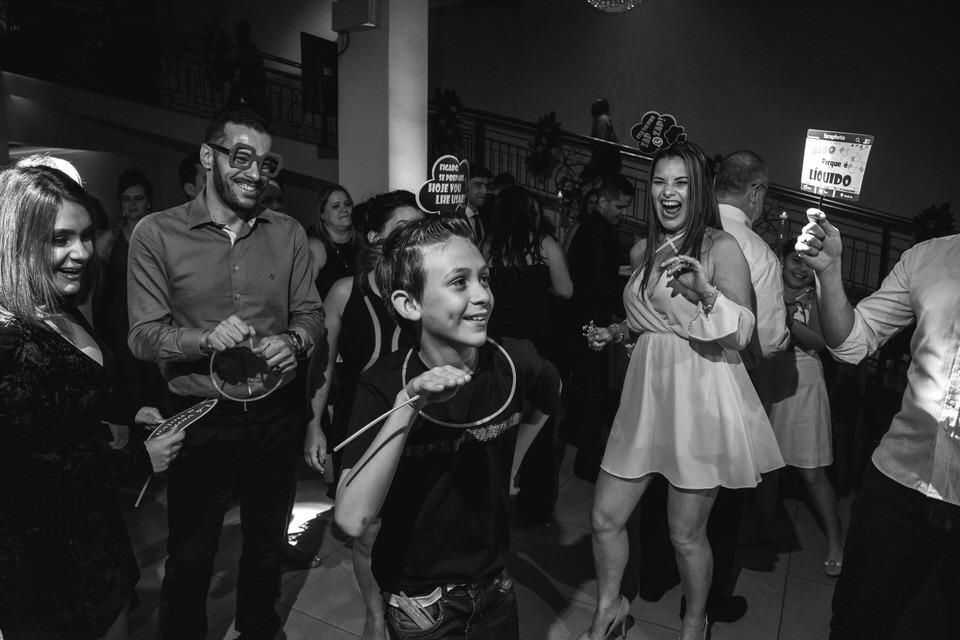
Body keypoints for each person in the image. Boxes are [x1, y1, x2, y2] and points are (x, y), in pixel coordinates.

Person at [127, 106, 324, 640]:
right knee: (191, 554)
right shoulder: (156, 234)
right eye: (242, 157)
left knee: (265, 546)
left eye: (265, 162)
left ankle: (259, 629)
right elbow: (143, 336)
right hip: (200, 418)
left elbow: (311, 313)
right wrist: (201, 339)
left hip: (275, 414)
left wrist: (294, 340)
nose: (256, 172)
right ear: (208, 157)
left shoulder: (286, 234)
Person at [580, 143, 784, 640]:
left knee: (685, 534)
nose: (668, 194)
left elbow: (742, 332)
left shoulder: (720, 247)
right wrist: (618, 332)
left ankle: (695, 623)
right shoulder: (639, 250)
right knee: (606, 517)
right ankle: (610, 610)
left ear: (698, 190)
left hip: (700, 391)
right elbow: (652, 322)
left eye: (680, 183)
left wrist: (706, 292)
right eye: (659, 182)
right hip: (645, 392)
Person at [335, 215, 562, 639]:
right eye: (459, 282)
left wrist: (512, 460)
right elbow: (351, 519)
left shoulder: (514, 362)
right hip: (420, 605)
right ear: (409, 304)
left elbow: (551, 392)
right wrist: (409, 405)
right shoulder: (384, 385)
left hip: (496, 586)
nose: (482, 296)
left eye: (485, 278)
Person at [0, 164, 183, 640]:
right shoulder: (9, 341)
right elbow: (36, 470)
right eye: (60, 239)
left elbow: (65, 407)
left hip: (92, 529)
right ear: (20, 240)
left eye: (84, 236)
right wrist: (142, 458)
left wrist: (124, 414)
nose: (80, 252)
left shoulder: (54, 303)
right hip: (46, 557)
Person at [796, 208, 960, 640]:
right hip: (897, 486)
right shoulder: (930, 257)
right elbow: (851, 343)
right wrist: (830, 272)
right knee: (854, 624)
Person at [304, 190, 423, 640]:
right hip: (360, 420)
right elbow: (322, 363)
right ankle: (375, 612)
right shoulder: (343, 291)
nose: (415, 235)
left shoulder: (423, 287)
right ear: (374, 236)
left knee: (412, 520)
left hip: (417, 418)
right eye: (403, 227)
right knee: (368, 529)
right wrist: (314, 424)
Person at [483, 185, 573, 524]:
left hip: (498, 347)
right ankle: (535, 507)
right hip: (537, 347)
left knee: (496, 423)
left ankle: (492, 499)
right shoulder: (545, 245)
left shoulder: (488, 245)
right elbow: (565, 290)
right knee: (538, 426)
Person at [752, 241, 844, 575]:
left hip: (804, 381)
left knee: (811, 472)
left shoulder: (815, 297)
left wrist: (789, 323)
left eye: (808, 264)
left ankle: (836, 539)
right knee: (767, 467)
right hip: (768, 376)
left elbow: (820, 342)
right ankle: (763, 531)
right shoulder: (767, 288)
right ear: (783, 260)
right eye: (795, 260)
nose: (800, 268)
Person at [560, 175, 632, 483]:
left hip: (585, 319)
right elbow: (597, 285)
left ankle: (579, 445)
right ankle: (586, 461)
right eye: (619, 206)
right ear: (602, 202)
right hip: (590, 322)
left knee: (587, 391)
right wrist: (628, 295)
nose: (623, 212)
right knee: (593, 393)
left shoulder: (596, 229)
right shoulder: (598, 232)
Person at [94, 168, 168, 432]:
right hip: (119, 316)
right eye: (127, 199)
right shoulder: (107, 240)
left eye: (138, 197)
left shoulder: (163, 233)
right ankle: (136, 434)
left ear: (149, 201)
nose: (133, 203)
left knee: (157, 375)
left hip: (155, 311)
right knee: (128, 375)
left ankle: (164, 431)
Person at [308, 183, 360, 299]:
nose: (344, 209)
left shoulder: (363, 244)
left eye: (347, 204)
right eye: (336, 206)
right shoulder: (315, 247)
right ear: (322, 214)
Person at [582, 97, 621, 185]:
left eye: (594, 105)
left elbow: (601, 141)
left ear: (601, 107)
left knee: (586, 178)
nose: (591, 108)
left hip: (607, 159)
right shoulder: (603, 119)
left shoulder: (601, 120)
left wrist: (595, 160)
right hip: (610, 158)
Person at [464, 165, 493, 243]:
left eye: (487, 186)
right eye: (478, 186)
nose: (485, 191)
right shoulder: (454, 219)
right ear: (464, 186)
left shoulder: (488, 215)